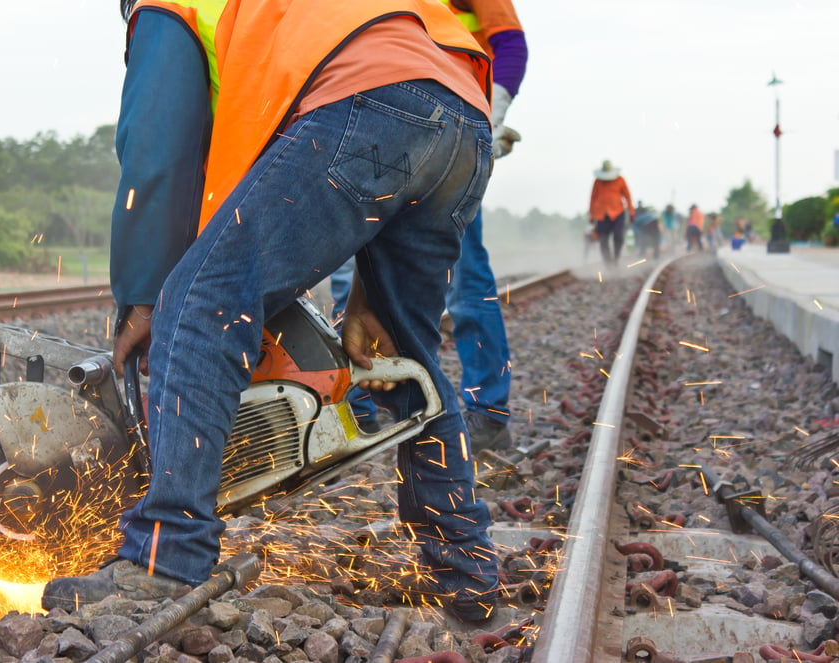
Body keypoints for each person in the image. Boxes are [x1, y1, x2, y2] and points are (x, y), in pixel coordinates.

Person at [42, 0, 503, 625]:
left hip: (367, 100)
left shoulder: (165, 6)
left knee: (199, 302)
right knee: (401, 357)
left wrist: (144, 296)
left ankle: (166, 557)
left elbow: (156, 150)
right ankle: (467, 570)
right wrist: (367, 293)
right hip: (462, 116)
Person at [329, 0, 528, 451]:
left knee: (465, 275)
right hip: (379, 122)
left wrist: (489, 117)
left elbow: (510, 45)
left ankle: (487, 413)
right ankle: (361, 403)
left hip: (450, 133)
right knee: (348, 269)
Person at [589, 160, 634, 266]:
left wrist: (631, 211)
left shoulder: (620, 180)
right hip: (601, 215)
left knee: (618, 237)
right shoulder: (598, 181)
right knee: (603, 240)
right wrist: (591, 214)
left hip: (618, 212)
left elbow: (627, 195)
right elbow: (593, 198)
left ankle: (616, 259)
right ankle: (608, 263)